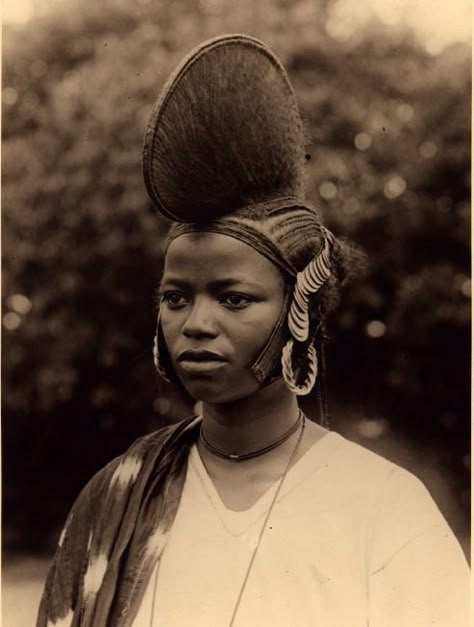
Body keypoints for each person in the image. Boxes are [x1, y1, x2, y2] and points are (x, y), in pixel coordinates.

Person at [37, 34, 469, 627]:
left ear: (302, 312)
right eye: (176, 297)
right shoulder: (116, 496)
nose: (196, 324)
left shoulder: (384, 510)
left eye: (234, 299)